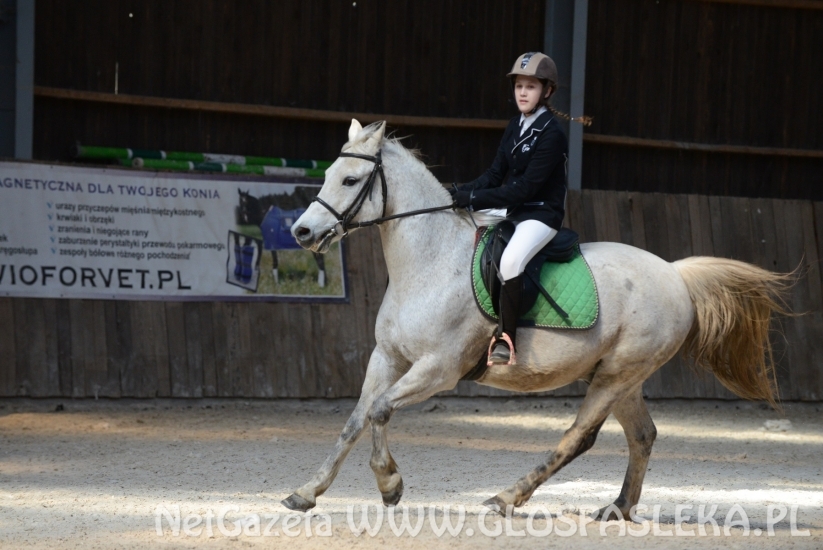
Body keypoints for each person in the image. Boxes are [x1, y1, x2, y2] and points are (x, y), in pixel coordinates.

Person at [449, 51, 590, 366]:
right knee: (459, 221)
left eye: (531, 87)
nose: (523, 93)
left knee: (511, 261)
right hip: (513, 210)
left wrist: (475, 199)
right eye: (519, 87)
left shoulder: (552, 135)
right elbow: (495, 175)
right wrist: (462, 190)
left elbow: (524, 189)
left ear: (547, 91)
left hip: (540, 214)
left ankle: (505, 338)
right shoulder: (515, 125)